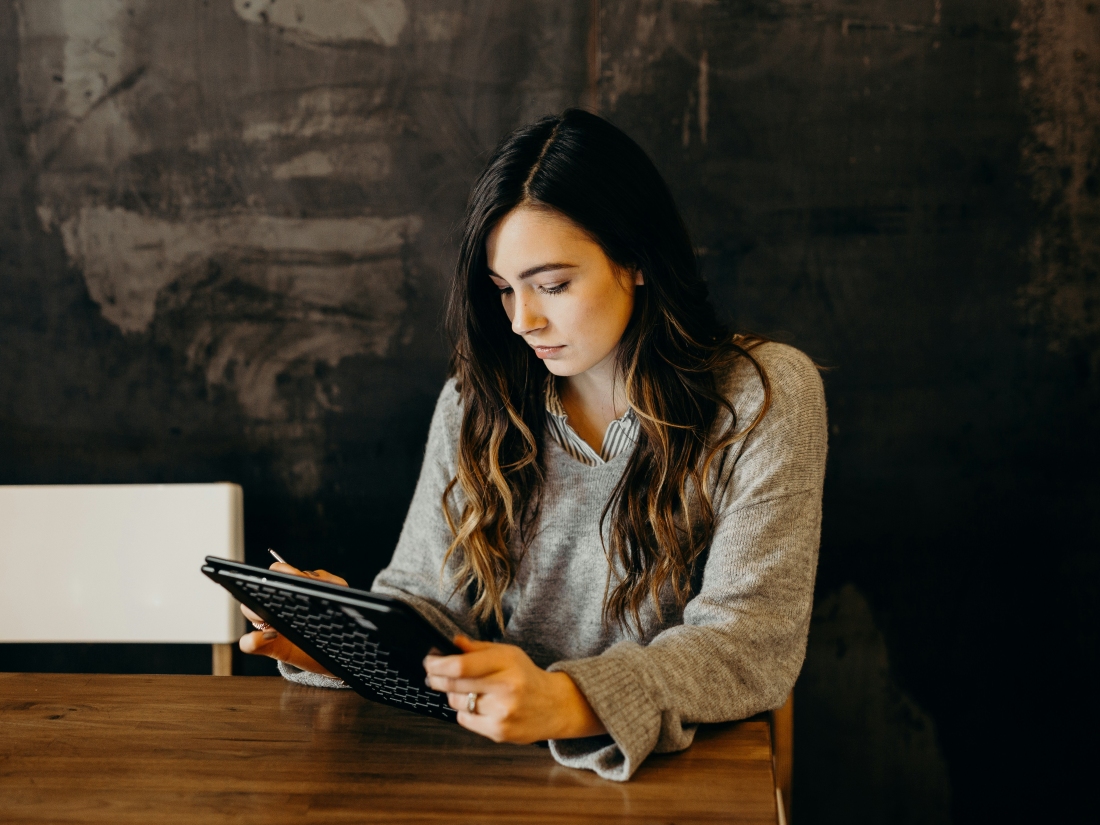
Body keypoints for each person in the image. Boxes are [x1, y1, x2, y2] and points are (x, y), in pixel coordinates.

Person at [239, 109, 827, 781]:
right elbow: (432, 608)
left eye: (552, 285)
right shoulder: (474, 402)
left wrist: (567, 699)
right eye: (504, 291)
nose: (523, 321)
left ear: (635, 258)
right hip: (499, 776)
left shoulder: (763, 396)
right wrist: (340, 639)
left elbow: (750, 641)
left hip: (685, 779)